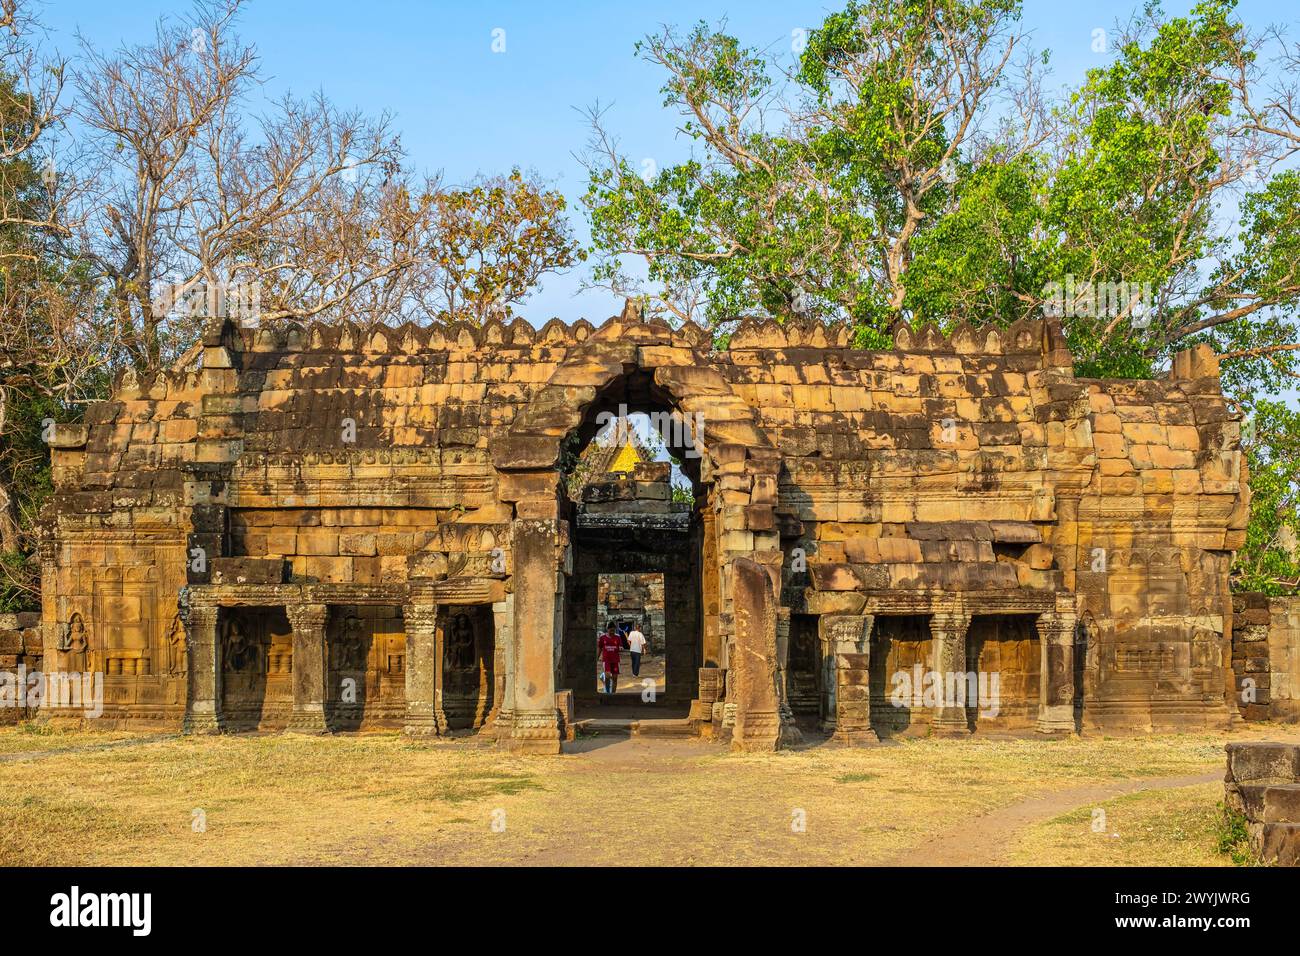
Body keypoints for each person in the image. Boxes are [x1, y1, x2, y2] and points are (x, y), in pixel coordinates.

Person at [597, 624, 622, 698]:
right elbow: (599, 648)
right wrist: (597, 658)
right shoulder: (603, 638)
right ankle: (608, 693)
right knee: (607, 676)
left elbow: (620, 646)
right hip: (606, 660)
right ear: (607, 629)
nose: (612, 632)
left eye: (613, 631)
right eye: (611, 630)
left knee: (615, 678)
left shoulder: (618, 637)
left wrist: (620, 648)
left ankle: (613, 695)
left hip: (615, 660)